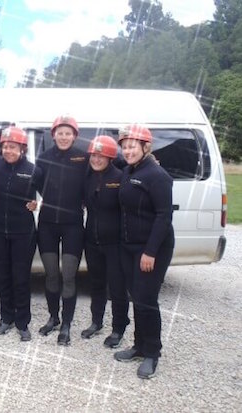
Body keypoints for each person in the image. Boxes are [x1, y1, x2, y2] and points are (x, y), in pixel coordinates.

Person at [113, 124, 174, 379]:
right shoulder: (128, 170)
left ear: (145, 147)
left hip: (152, 248)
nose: (127, 151)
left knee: (147, 300)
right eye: (124, 146)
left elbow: (163, 216)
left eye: (132, 146)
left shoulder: (157, 175)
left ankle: (152, 353)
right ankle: (139, 345)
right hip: (129, 246)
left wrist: (150, 252)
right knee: (136, 296)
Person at [35, 115, 88, 345]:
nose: (64, 137)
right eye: (60, 132)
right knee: (51, 275)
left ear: (74, 136)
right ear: (53, 134)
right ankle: (53, 318)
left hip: (72, 225)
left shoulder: (83, 158)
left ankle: (66, 324)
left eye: (68, 133)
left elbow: (98, 177)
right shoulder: (44, 158)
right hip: (47, 223)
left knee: (68, 275)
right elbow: (37, 183)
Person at [0, 126, 41, 342]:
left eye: (13, 147)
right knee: (3, 277)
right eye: (5, 146)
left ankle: (22, 322)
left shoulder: (33, 170)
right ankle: (6, 318)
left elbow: (51, 192)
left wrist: (38, 203)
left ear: (23, 148)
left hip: (23, 233)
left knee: (21, 279)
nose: (8, 150)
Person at [81, 135, 130, 348]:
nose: (97, 159)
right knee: (96, 284)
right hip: (92, 241)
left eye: (102, 156)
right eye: (94, 155)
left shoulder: (120, 177)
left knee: (117, 288)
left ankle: (118, 329)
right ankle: (96, 322)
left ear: (110, 157)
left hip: (115, 244)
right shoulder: (88, 177)